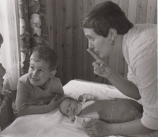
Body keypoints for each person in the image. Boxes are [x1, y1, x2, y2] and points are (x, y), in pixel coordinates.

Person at [81, 1, 157, 136]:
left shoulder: (143, 50)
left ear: (112, 34)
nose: (90, 46)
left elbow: (153, 122)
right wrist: (111, 75)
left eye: (91, 38)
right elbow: (137, 92)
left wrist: (107, 129)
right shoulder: (134, 39)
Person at [16, 46, 64, 116]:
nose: (34, 74)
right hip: (24, 116)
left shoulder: (55, 83)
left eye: (40, 70)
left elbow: (61, 95)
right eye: (32, 67)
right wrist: (49, 107)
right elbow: (21, 110)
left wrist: (47, 100)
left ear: (51, 74)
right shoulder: (23, 83)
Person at [59, 94, 143, 129]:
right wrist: (75, 120)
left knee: (133, 105)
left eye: (69, 105)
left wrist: (83, 97)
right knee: (133, 115)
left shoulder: (84, 101)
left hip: (115, 103)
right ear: (69, 116)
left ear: (75, 100)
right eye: (67, 111)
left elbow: (93, 97)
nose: (70, 109)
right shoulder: (81, 116)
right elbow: (84, 124)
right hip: (115, 113)